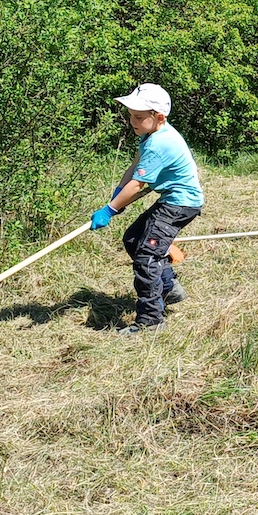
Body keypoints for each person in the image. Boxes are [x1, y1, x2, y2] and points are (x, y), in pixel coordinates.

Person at [90, 84, 203, 334]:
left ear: (159, 117)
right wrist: (118, 193)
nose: (132, 121)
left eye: (139, 117)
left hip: (180, 204)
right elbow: (136, 166)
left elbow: (139, 184)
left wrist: (110, 210)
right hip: (173, 199)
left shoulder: (160, 143)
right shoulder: (151, 135)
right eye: (131, 115)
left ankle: (151, 321)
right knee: (133, 239)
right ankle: (168, 287)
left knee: (147, 257)